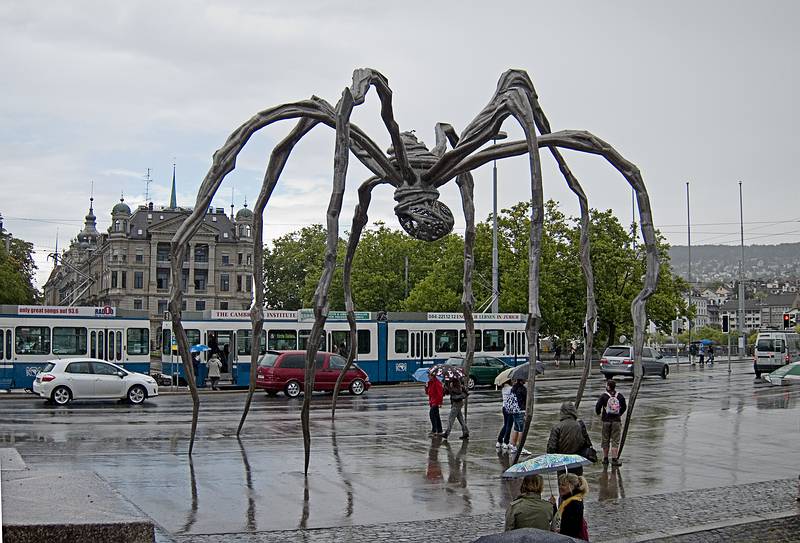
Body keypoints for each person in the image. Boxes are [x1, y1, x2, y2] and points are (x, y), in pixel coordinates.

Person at [546, 401, 593, 475]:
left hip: (562, 464)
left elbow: (551, 449)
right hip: (577, 462)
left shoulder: (557, 427)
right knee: (577, 484)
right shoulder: (580, 425)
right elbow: (587, 444)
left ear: (562, 412)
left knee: (563, 484)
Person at [595, 379, 627, 466]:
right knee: (615, 440)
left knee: (605, 439)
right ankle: (614, 459)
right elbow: (624, 407)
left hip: (606, 421)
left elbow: (598, 406)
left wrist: (599, 413)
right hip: (616, 421)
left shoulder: (604, 396)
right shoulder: (619, 396)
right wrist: (619, 414)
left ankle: (605, 459)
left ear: (608, 386)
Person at [551, 473, 589, 539]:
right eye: (559, 484)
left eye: (563, 485)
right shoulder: (572, 499)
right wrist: (554, 505)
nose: (560, 487)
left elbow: (572, 530)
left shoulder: (573, 503)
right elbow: (560, 519)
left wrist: (561, 531)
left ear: (572, 486)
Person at [507, 379, 530, 455]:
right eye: (524, 379)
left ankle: (513, 446)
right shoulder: (522, 389)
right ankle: (521, 448)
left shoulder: (513, 388)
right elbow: (526, 400)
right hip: (521, 410)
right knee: (521, 430)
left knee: (516, 428)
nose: (525, 380)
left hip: (515, 410)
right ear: (521, 380)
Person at [425, 370, 444, 436]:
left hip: (435, 402)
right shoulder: (430, 382)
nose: (428, 376)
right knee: (436, 416)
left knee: (432, 415)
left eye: (429, 375)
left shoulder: (437, 383)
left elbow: (440, 393)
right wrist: (426, 387)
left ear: (432, 376)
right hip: (432, 401)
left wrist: (440, 403)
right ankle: (439, 430)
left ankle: (434, 430)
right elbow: (428, 393)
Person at [496, 380, 514, 450]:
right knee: (509, 425)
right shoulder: (511, 389)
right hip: (510, 409)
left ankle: (499, 440)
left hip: (504, 408)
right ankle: (506, 442)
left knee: (505, 424)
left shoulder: (503, 389)